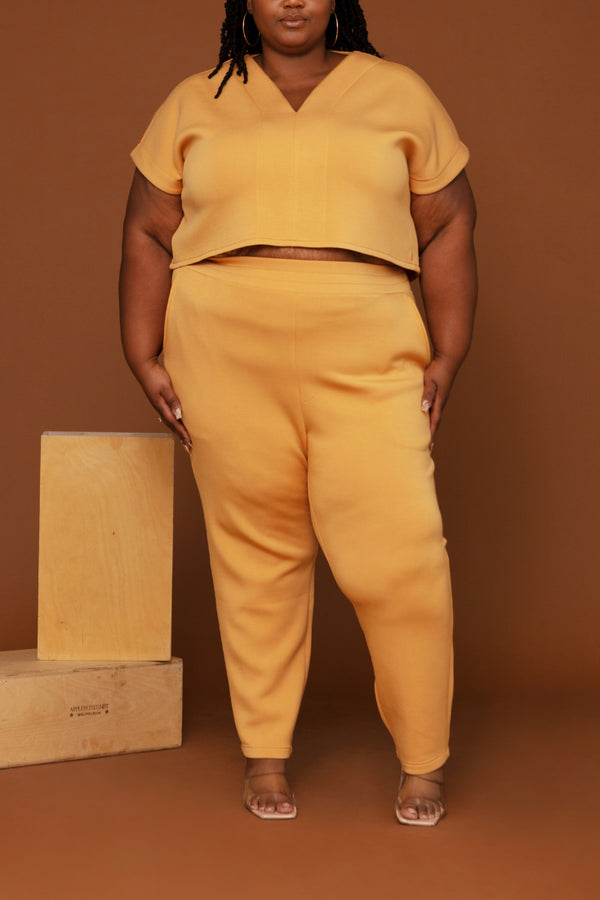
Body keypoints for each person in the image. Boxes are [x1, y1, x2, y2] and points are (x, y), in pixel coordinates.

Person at [119, 0, 477, 826]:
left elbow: (449, 220)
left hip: (366, 341)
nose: (292, 0)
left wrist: (448, 352)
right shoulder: (196, 99)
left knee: (402, 554)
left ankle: (424, 759)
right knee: (255, 551)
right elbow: (147, 227)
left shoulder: (399, 93)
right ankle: (265, 753)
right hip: (223, 347)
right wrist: (143, 350)